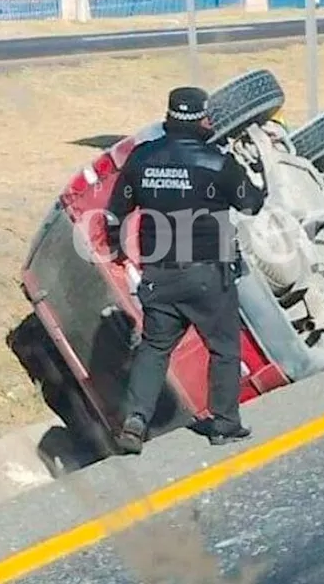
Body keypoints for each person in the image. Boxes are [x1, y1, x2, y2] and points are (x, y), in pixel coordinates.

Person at [104, 86, 267, 455]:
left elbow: (115, 213)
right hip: (209, 274)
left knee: (155, 347)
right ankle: (224, 425)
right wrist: (261, 177)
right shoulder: (217, 161)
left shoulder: (142, 158)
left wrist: (115, 248)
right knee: (224, 347)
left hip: (160, 274)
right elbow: (251, 203)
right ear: (201, 119)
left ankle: (136, 421)